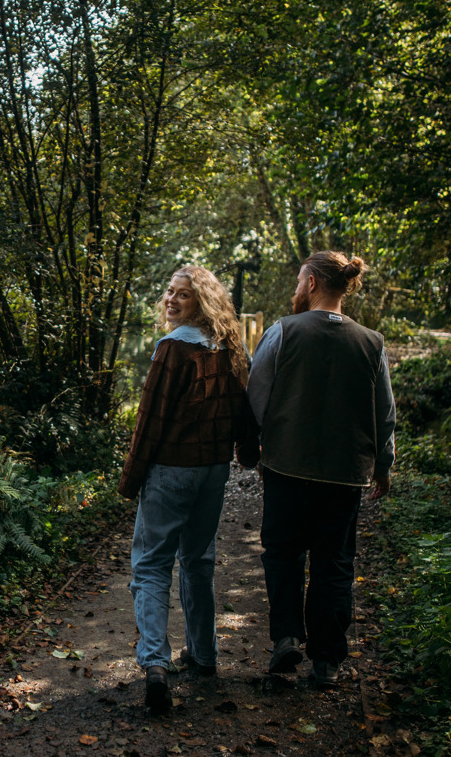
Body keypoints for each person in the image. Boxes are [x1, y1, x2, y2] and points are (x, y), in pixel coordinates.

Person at [246, 250, 395, 688]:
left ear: (311, 283)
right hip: (345, 475)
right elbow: (384, 414)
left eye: (297, 282)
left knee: (283, 553)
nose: (295, 290)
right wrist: (383, 466)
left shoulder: (282, 332)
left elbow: (257, 396)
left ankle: (287, 637)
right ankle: (327, 660)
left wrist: (254, 446)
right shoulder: (372, 343)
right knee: (334, 562)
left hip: (286, 468)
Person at [118, 265, 259, 714]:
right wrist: (247, 452)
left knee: (152, 564)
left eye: (183, 295)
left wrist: (131, 478)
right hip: (213, 471)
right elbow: (245, 409)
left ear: (204, 302)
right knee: (198, 559)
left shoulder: (172, 349)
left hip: (172, 470)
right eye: (169, 291)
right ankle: (204, 655)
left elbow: (149, 422)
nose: (171, 300)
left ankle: (156, 664)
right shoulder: (229, 347)